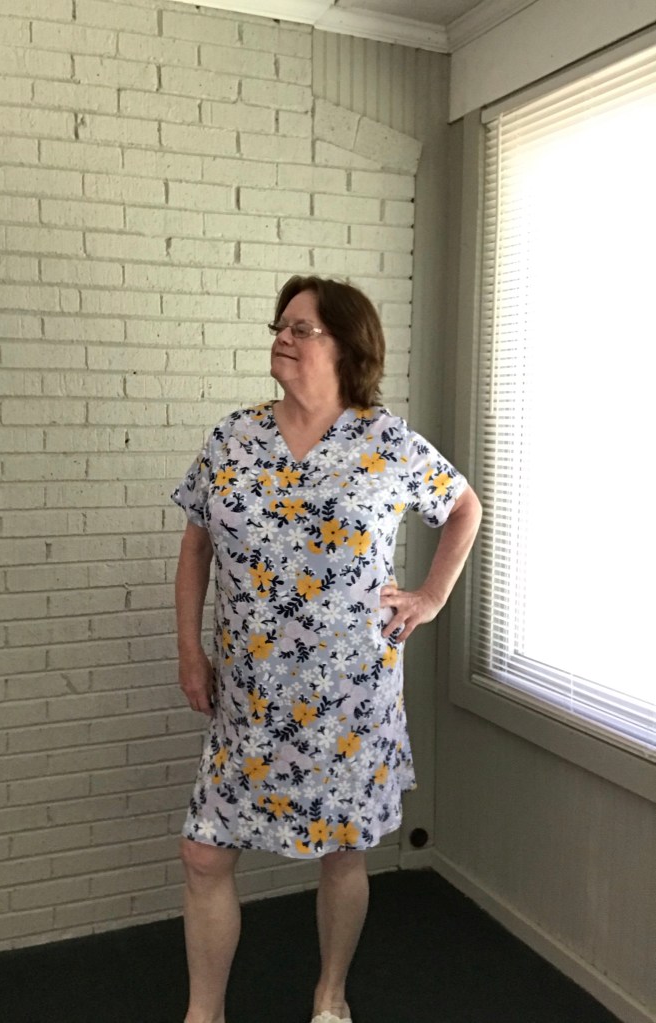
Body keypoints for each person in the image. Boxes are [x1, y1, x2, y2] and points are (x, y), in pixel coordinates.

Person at [171, 275, 481, 1023]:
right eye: (279, 325)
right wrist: (188, 650)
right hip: (248, 695)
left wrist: (431, 596)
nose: (282, 336)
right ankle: (204, 1012)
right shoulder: (232, 438)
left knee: (342, 851)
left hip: (350, 698)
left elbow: (463, 506)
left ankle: (330, 994)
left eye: (301, 328)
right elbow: (195, 548)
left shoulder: (387, 442)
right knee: (204, 852)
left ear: (347, 345)